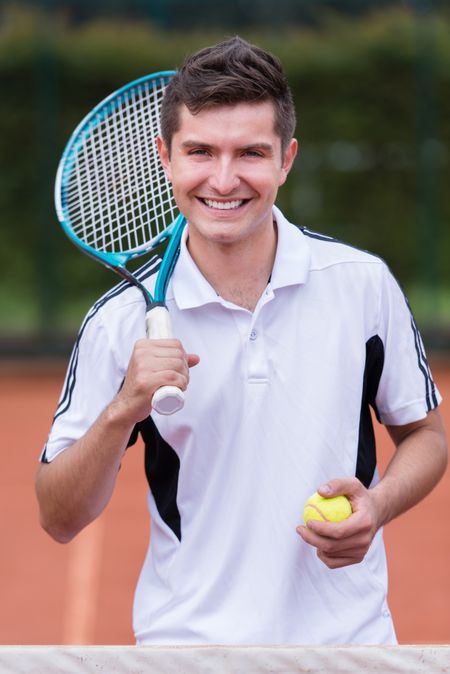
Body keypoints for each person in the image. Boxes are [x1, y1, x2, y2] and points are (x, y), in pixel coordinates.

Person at [36, 36, 447, 645]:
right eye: (199, 151)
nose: (224, 180)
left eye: (251, 153)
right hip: (187, 651)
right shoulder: (119, 320)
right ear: (165, 157)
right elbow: (58, 515)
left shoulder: (362, 286)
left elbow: (427, 437)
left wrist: (378, 505)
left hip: (349, 649)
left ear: (286, 159)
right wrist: (124, 408)